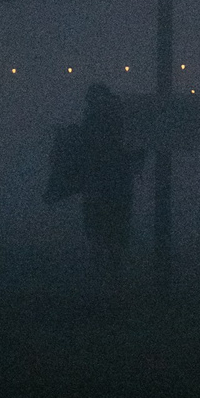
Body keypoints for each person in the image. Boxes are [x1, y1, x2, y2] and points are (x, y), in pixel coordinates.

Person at [72, 83, 143, 293]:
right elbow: (136, 150)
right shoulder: (118, 120)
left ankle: (106, 277)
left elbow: (84, 152)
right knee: (112, 232)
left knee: (102, 231)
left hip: (102, 185)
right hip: (114, 185)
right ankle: (111, 276)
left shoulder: (95, 121)